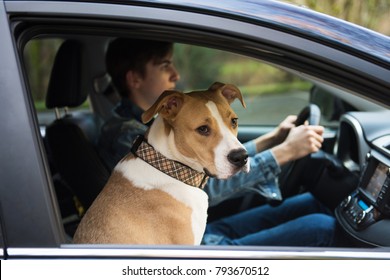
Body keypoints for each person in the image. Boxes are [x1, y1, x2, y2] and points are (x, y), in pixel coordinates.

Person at [98, 38, 349, 247]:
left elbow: (207, 157)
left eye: (233, 122)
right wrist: (284, 152)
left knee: (312, 202)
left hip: (198, 228)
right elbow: (206, 183)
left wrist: (269, 140)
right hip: (188, 242)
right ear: (134, 79)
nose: (176, 74)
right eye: (165, 66)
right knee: (321, 227)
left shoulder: (151, 123)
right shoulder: (128, 137)